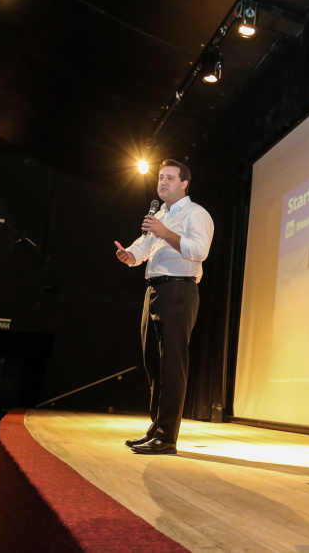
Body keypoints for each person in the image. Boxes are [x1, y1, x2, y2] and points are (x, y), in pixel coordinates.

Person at [114, 159, 214, 455]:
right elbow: (144, 247)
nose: (163, 182)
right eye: (161, 177)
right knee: (153, 364)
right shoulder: (160, 214)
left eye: (170, 178)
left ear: (185, 184)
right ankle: (155, 428)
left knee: (172, 364)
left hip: (179, 290)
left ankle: (167, 437)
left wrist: (163, 231)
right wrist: (130, 256)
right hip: (154, 290)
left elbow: (199, 252)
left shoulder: (197, 214)